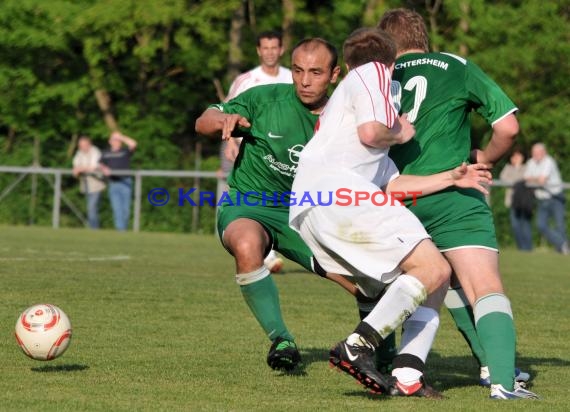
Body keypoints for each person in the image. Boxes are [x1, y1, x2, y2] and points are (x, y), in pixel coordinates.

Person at [289, 27, 493, 398]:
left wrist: (451, 177)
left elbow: (392, 186)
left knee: (429, 277)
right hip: (340, 195)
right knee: (434, 269)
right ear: (392, 60)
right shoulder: (372, 71)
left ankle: (408, 375)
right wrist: (401, 134)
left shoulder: (344, 120)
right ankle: (358, 346)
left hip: (313, 207)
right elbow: (373, 132)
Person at [378, 8, 537, 399]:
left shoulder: (376, 77)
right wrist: (485, 158)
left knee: (435, 282)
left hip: (399, 197)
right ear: (423, 38)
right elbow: (509, 127)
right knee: (482, 285)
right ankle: (502, 381)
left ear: (387, 45)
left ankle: (402, 371)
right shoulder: (455, 65)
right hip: (453, 194)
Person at [195, 38, 341, 372]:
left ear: (334, 75)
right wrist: (222, 121)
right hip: (248, 202)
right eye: (299, 70)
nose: (304, 80)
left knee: (362, 282)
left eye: (315, 73)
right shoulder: (265, 98)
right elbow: (204, 119)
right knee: (247, 244)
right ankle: (282, 340)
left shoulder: (343, 118)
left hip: (305, 211)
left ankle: (384, 354)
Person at [219, 30, 294, 273]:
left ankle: (271, 244)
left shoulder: (292, 77)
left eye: (274, 48)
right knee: (246, 198)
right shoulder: (246, 80)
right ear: (258, 51)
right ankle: (265, 252)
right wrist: (230, 142)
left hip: (284, 155)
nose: (270, 52)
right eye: (266, 48)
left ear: (281, 50)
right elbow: (227, 113)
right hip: (248, 153)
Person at [525, 143, 568, 254]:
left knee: (560, 225)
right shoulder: (530, 163)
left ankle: (563, 249)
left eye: (538, 153)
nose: (535, 155)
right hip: (542, 199)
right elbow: (526, 179)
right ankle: (562, 244)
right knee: (541, 225)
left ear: (544, 152)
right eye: (533, 153)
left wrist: (534, 179)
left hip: (555, 197)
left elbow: (541, 180)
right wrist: (536, 179)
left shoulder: (549, 161)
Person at [99, 131, 137, 231]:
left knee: (126, 210)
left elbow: (133, 144)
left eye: (118, 140)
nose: (117, 141)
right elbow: (99, 164)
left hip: (125, 182)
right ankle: (120, 231)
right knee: (117, 209)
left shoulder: (125, 151)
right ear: (110, 141)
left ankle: (123, 229)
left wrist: (121, 137)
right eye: (114, 139)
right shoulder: (105, 153)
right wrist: (104, 169)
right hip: (113, 183)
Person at [499, 148, 533, 251]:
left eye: (518, 156)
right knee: (515, 225)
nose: (516, 158)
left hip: (525, 201)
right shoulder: (508, 168)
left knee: (525, 224)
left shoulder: (527, 167)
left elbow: (527, 179)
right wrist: (518, 181)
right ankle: (521, 248)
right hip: (513, 201)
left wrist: (516, 181)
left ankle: (528, 248)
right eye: (514, 156)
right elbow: (503, 178)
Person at [72, 136, 106, 229]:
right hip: (85, 184)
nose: (82, 147)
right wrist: (78, 169)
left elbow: (93, 166)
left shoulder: (95, 152)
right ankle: (93, 228)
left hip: (96, 184)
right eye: (80, 146)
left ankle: (94, 229)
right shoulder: (79, 153)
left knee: (91, 208)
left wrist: (81, 168)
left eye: (84, 145)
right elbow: (75, 164)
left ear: (89, 144)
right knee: (90, 208)